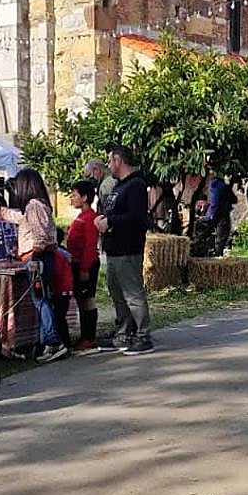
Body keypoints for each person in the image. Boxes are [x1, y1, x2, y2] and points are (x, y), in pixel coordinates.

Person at [0, 169, 68, 363]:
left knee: (41, 300)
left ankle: (53, 341)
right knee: (41, 299)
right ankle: (45, 343)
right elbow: (22, 219)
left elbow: (40, 235)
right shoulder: (38, 205)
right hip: (41, 258)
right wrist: (0, 210)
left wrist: (35, 254)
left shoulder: (34, 205)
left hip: (37, 259)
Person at [94, 146, 153, 355]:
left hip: (128, 248)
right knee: (117, 292)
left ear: (118, 160)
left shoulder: (136, 185)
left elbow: (137, 217)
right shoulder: (119, 186)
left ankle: (143, 335)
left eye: (110, 161)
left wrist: (110, 222)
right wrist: (104, 219)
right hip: (114, 248)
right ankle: (123, 332)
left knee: (132, 293)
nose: (108, 165)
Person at [66, 179, 101, 351]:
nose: (72, 198)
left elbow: (90, 245)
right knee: (81, 300)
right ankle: (85, 336)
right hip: (78, 263)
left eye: (74, 195)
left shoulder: (90, 218)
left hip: (86, 264)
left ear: (85, 197)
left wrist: (85, 269)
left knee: (87, 299)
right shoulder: (81, 216)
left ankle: (89, 337)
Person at [199, 174, 237, 256]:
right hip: (221, 214)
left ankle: (216, 254)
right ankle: (217, 255)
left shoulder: (216, 185)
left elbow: (215, 203)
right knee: (221, 237)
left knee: (219, 236)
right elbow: (233, 199)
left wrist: (209, 215)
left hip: (218, 213)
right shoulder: (219, 185)